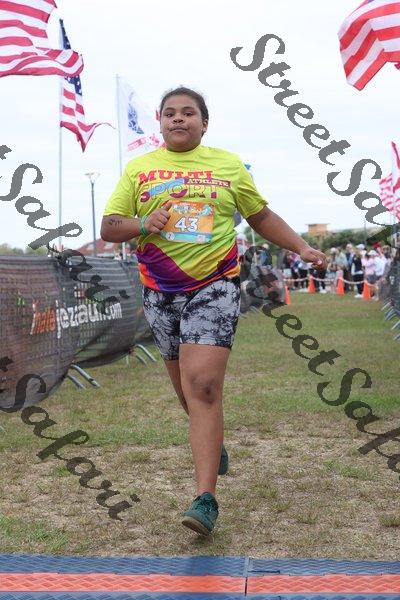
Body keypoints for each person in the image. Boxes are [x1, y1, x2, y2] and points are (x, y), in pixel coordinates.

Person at [100, 86, 327, 537]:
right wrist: (144, 223)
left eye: (188, 113)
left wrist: (301, 247)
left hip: (214, 285)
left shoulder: (228, 165)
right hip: (160, 291)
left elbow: (260, 217)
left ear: (204, 123)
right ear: (160, 123)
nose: (178, 119)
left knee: (203, 385)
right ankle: (212, 438)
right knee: (186, 391)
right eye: (170, 113)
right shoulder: (139, 169)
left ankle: (205, 499)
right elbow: (109, 227)